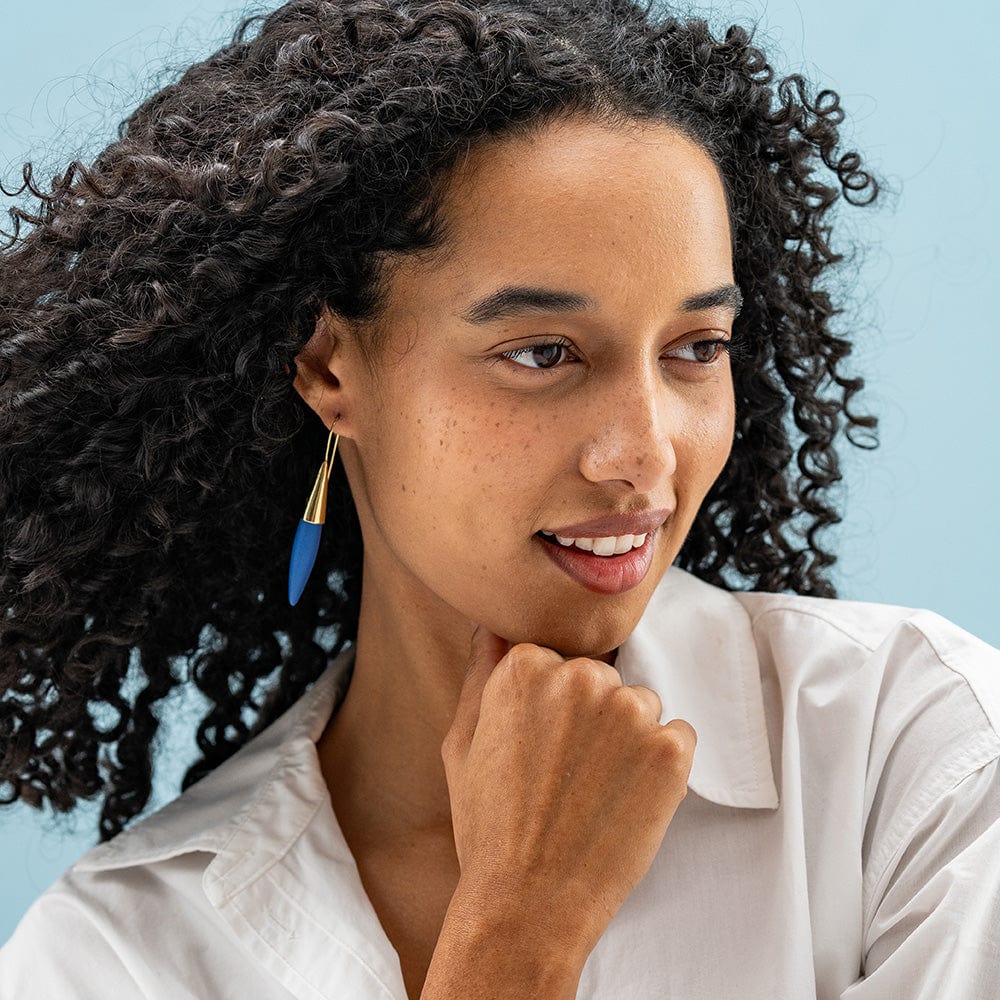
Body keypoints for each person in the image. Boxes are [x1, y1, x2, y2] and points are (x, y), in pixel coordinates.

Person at [1, 0, 998, 996]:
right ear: (330, 366)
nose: (645, 457)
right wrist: (516, 932)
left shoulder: (913, 760)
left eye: (695, 349)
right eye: (543, 353)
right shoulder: (118, 954)